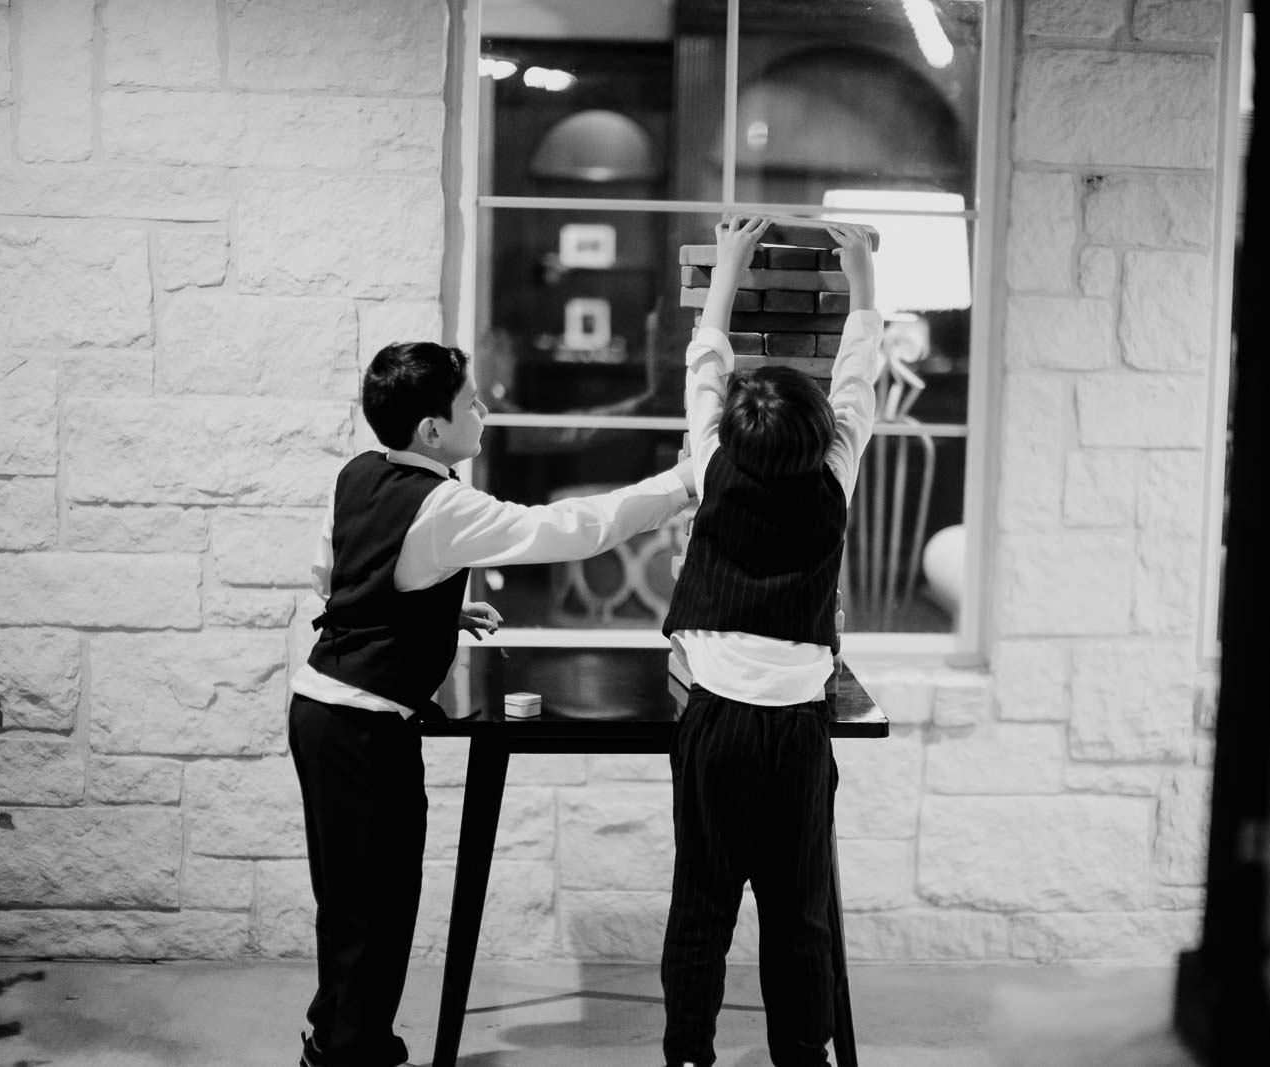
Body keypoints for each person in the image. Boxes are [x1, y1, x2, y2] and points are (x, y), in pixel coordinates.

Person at [288, 341, 695, 1067]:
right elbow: (572, 529)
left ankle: (341, 1034)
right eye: (470, 401)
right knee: (377, 902)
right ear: (431, 431)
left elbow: (335, 578)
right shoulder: (443, 504)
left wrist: (436, 613)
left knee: (348, 895)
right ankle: (348, 1053)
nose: (485, 410)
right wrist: (681, 483)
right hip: (362, 725)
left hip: (317, 707)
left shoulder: (356, 472)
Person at [659, 215, 882, 1067]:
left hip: (714, 726)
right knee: (800, 913)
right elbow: (857, 373)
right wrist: (860, 271)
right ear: (822, 437)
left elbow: (705, 364)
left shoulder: (714, 458)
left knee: (702, 904)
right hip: (795, 731)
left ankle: (687, 1056)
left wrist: (731, 264)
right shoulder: (836, 472)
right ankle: (802, 1056)